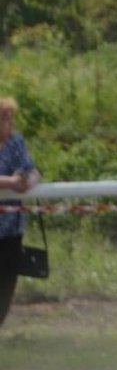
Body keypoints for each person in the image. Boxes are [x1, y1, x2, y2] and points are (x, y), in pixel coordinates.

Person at [0, 97, 42, 326]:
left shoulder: (16, 142)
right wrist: (10, 182)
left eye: (10, 117)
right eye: (4, 118)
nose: (9, 122)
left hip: (11, 232)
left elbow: (31, 169)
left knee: (4, 293)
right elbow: (11, 180)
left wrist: (28, 181)